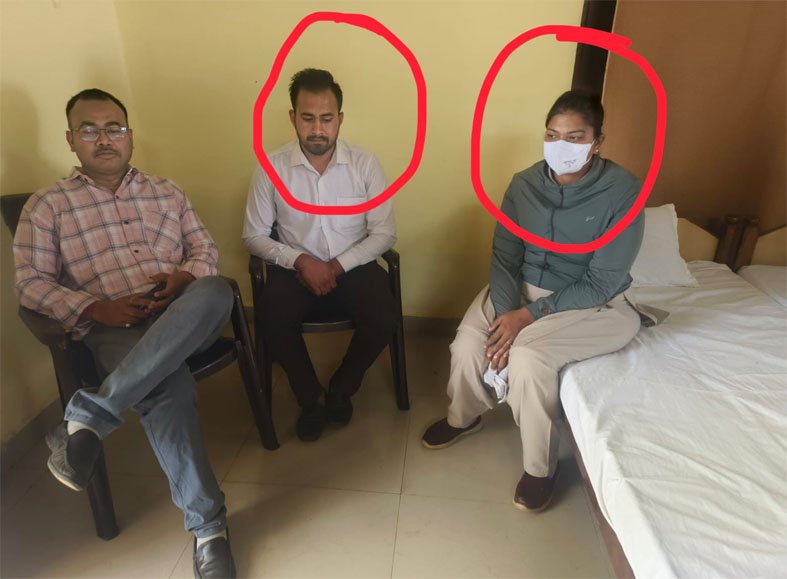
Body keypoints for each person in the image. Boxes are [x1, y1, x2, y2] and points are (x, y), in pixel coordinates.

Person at [13, 89, 236, 578]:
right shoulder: (47, 206)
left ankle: (87, 418)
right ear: (71, 139)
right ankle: (209, 530)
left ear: (130, 135)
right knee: (167, 386)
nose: (104, 139)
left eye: (114, 128)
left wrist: (183, 279)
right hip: (114, 328)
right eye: (89, 130)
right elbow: (30, 284)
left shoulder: (167, 191)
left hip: (183, 313)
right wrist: (97, 307)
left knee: (216, 289)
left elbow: (204, 250)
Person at [421, 90, 646, 512]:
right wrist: (508, 312)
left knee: (528, 357)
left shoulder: (623, 192)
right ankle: (464, 416)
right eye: (552, 135)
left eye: (575, 138)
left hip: (588, 302)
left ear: (598, 142)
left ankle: (540, 468)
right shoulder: (523, 185)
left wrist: (527, 317)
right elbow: (505, 257)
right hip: (519, 290)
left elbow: (602, 281)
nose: (562, 146)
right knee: (469, 342)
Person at [244, 68, 397, 442]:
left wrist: (336, 266)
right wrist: (301, 261)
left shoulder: (365, 163)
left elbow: (384, 232)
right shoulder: (271, 167)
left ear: (339, 119)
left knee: (385, 315)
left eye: (326, 119)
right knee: (270, 314)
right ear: (292, 117)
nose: (317, 129)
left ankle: (342, 387)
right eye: (307, 118)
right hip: (295, 268)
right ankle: (311, 397)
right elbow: (253, 236)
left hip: (353, 264)